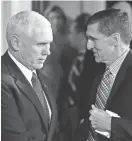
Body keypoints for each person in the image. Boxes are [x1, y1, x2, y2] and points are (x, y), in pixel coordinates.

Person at [76, 8, 132, 141]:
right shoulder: (96, 67)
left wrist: (112, 124)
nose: (88, 46)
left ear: (114, 40)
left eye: (93, 39)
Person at [1, 11, 58, 141]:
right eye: (40, 44)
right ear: (16, 43)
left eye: (49, 43)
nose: (48, 52)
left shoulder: (42, 78)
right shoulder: (2, 81)